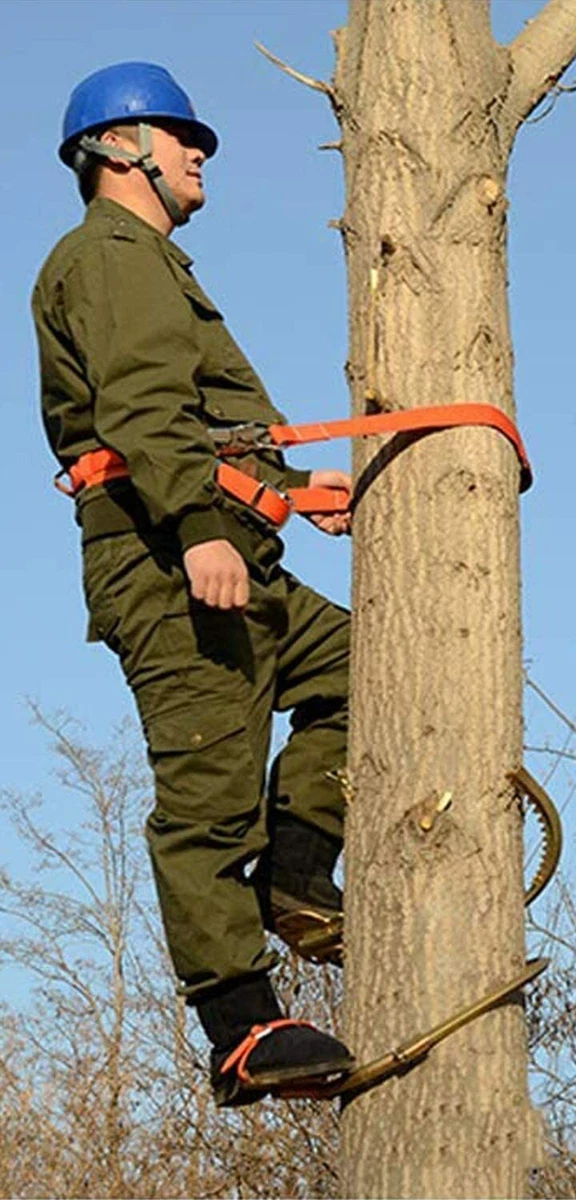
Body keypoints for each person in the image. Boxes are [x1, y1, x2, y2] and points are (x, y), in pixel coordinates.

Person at [32, 61, 355, 1106]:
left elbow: (203, 427)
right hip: (173, 565)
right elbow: (143, 413)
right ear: (117, 152)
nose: (199, 149)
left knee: (368, 667)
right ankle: (241, 1031)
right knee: (209, 796)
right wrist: (198, 531)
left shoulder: (152, 264)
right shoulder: (110, 256)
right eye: (178, 135)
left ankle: (298, 873)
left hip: (227, 549)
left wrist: (296, 489)